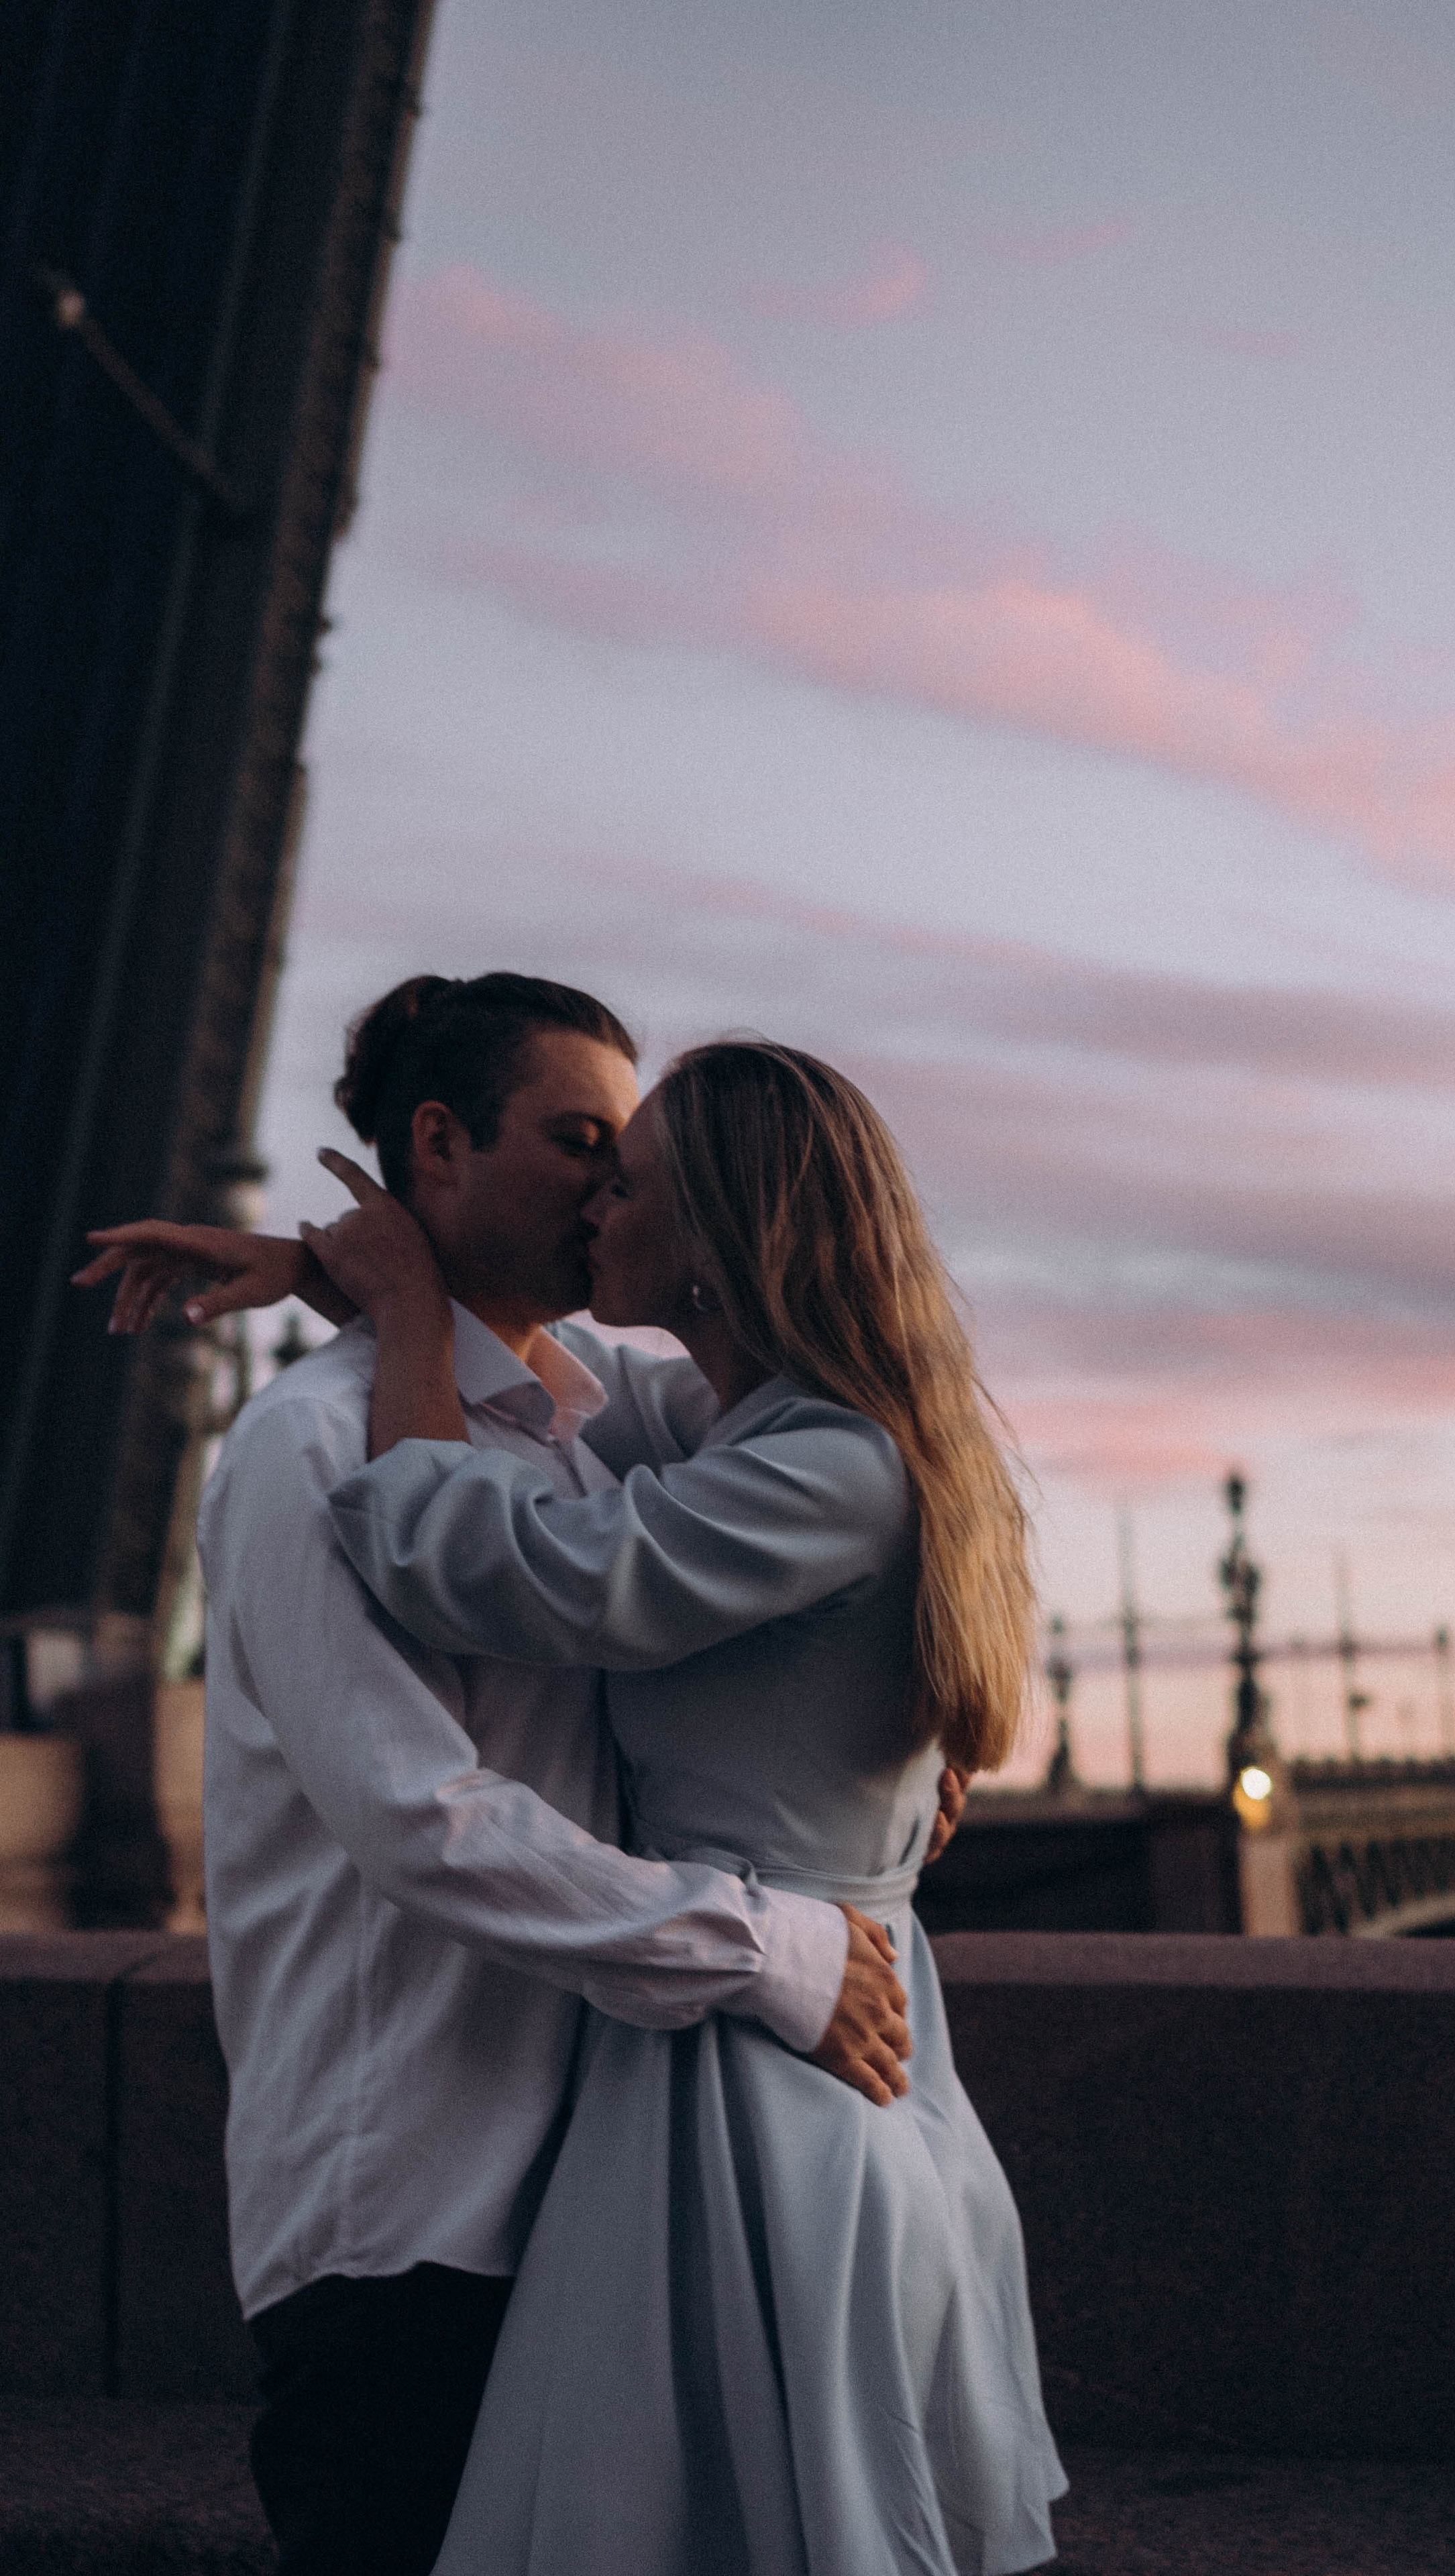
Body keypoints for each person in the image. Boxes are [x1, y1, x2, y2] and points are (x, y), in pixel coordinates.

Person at [76, 976, 949, 2576]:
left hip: (600, 2189)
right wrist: (775, 1947)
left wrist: (883, 1747)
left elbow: (842, 1453)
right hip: (411, 2219)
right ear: (438, 1145)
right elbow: (426, 1822)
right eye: (576, 1143)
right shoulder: (306, 1455)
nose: (614, 1191)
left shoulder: (583, 1426)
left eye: (628, 1161)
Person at [302, 1036, 1067, 2576]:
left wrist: (394, 1315)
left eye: (628, 1184)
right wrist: (320, 1267)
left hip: (761, 2080)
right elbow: (585, 1401)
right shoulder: (755, 1428)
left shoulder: (825, 1468)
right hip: (767, 2024)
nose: (594, 1208)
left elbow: (482, 1564)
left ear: (716, 1241)